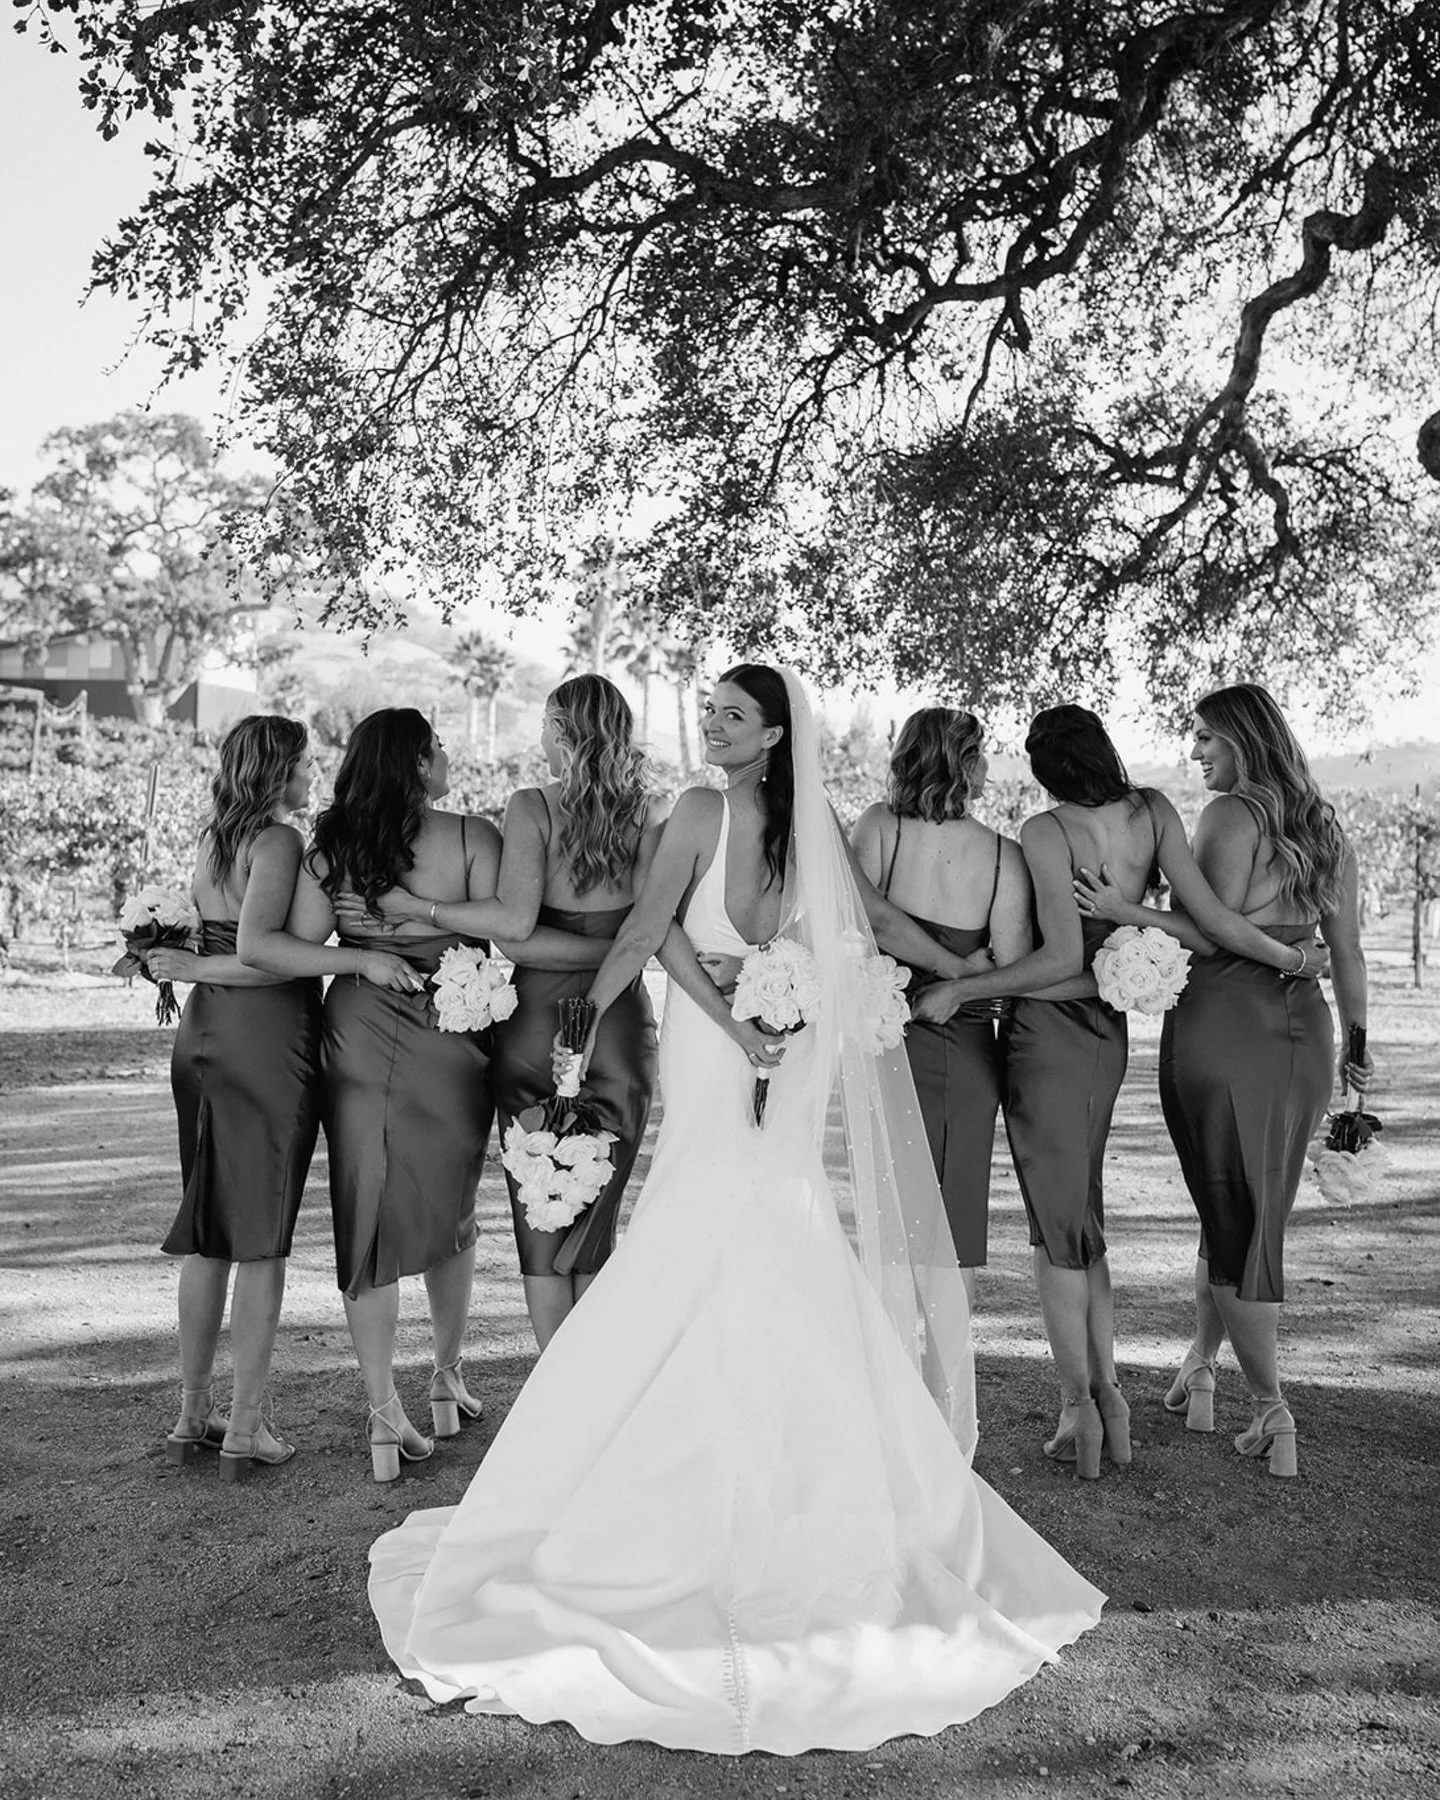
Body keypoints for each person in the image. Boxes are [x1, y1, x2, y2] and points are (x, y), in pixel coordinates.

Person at [367, 666, 1106, 1755]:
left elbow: (652, 934)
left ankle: (694, 1478)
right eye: (706, 711)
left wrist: (622, 1032)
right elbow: (864, 931)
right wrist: (827, 995)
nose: (707, 726)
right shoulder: (806, 827)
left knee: (720, 1225)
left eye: (728, 716)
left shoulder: (702, 811)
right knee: (762, 1227)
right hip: (778, 1036)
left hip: (737, 1043)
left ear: (769, 739)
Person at [915, 705, 1328, 1480]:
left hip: (1048, 1036)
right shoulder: (1154, 811)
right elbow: (1205, 935)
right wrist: (1133, 920)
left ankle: (1086, 1407)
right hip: (1107, 1035)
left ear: (1045, 770)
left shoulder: (1047, 832)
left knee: (1056, 1230)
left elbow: (1057, 957)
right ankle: (1104, 1402)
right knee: (1082, 1222)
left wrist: (962, 993)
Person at [241, 710, 601, 1480]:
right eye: (436, 747)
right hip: (452, 1024)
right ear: (415, 762)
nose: (447, 756)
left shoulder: (332, 847)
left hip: (364, 1029)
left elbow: (280, 946)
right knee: (452, 1206)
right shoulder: (473, 836)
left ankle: (385, 1413)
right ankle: (444, 1377)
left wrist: (361, 961)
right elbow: (511, 928)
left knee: (365, 1207)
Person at [1075, 683, 1369, 1478]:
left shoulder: (1231, 816)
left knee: (1238, 1216)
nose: (1197, 751)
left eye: (1206, 737)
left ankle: (1273, 1408)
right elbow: (1345, 953)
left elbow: (1211, 933)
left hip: (1224, 1025)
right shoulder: (1322, 826)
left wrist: (1125, 910)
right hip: (1305, 1031)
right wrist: (1358, 1045)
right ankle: (1200, 1363)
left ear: (1242, 739)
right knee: (1241, 1201)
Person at [356, 676, 661, 1350]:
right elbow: (648, 932)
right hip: (618, 1024)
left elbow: (512, 928)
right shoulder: (651, 813)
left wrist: (425, 912)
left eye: (548, 724)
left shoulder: (531, 808)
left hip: (538, 1025)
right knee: (596, 1213)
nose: (541, 739)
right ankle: (597, 1383)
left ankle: (559, 1390)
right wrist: (617, 948)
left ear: (562, 729)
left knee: (541, 1210)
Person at [151, 715, 414, 1481]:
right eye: (302, 762)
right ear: (278, 770)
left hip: (200, 1042)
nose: (311, 772)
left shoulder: (210, 841)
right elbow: (263, 956)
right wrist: (360, 958)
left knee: (209, 1232)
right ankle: (244, 1426)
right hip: (265, 1044)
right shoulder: (278, 841)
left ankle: (189, 1413)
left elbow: (215, 943)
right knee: (260, 1239)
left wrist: (187, 967)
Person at [851, 708, 1030, 1300]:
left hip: (888, 1037)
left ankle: (892, 1363)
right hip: (965, 1048)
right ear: (967, 763)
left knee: (891, 1204)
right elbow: (1010, 969)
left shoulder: (879, 827)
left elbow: (857, 927)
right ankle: (945, 1375)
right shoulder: (1002, 854)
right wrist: (960, 973)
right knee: (955, 1210)